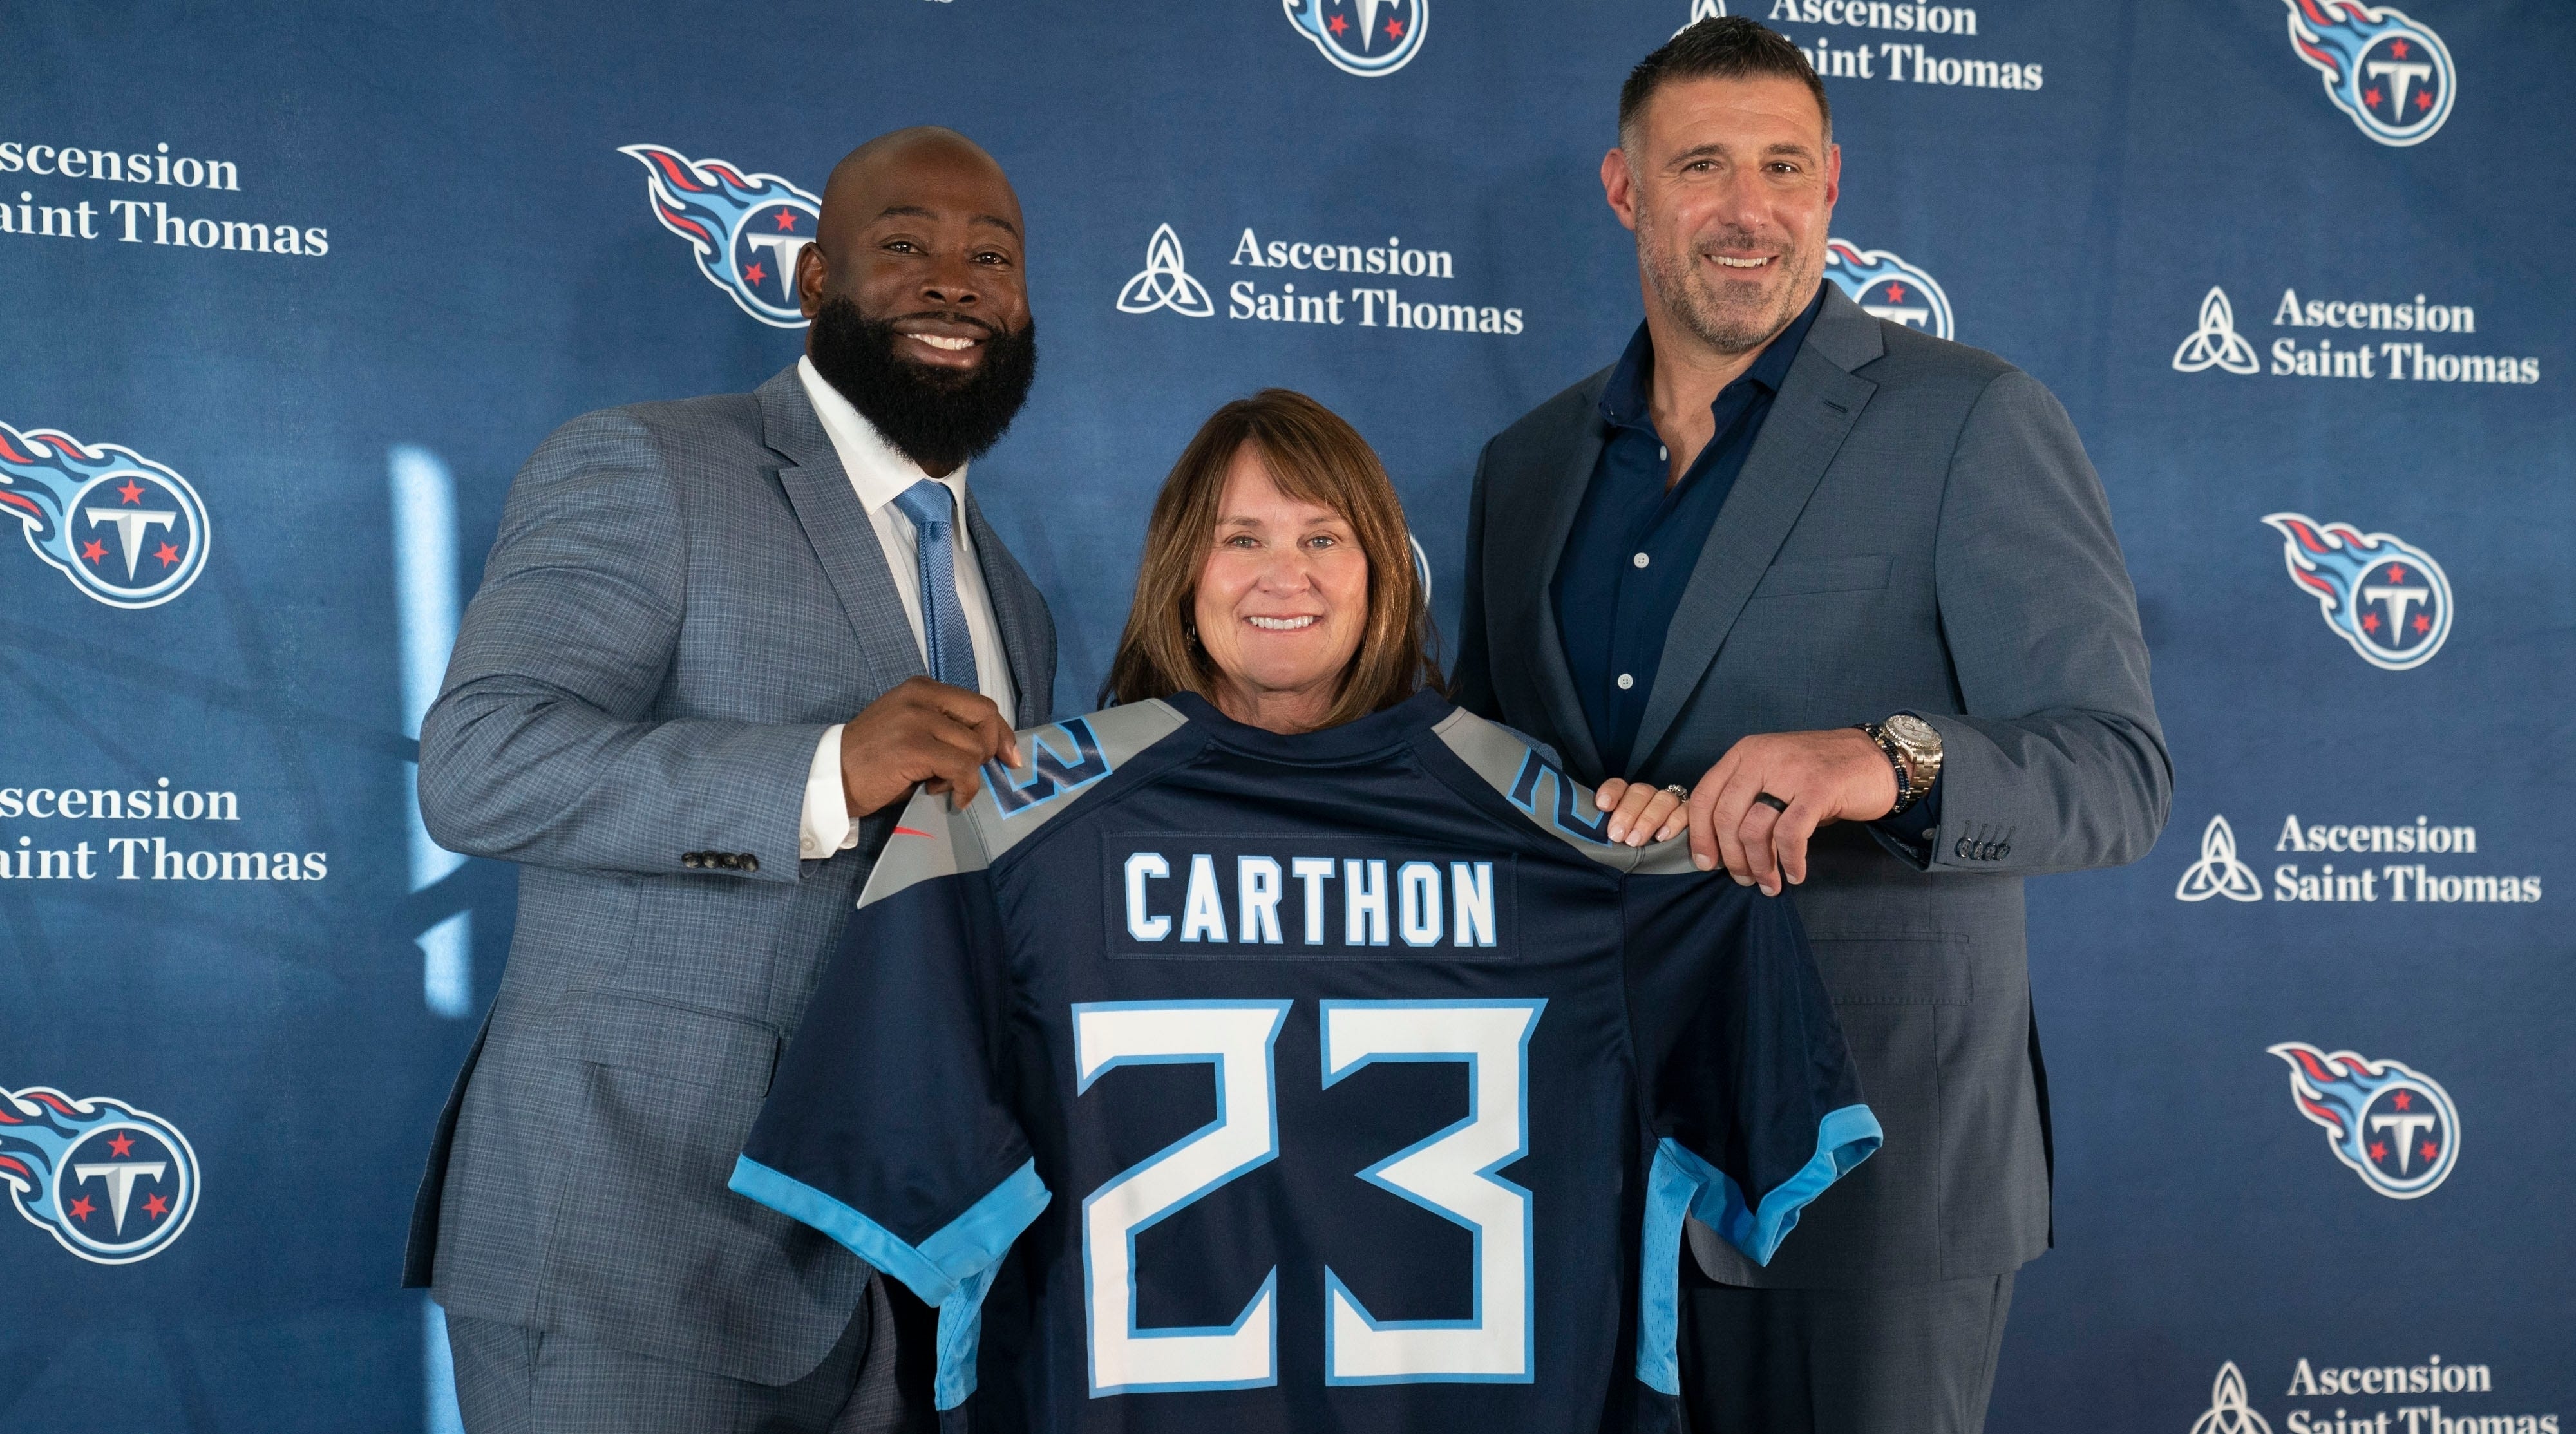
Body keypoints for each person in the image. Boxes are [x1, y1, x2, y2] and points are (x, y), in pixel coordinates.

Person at [724, 388, 1878, 1432]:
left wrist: (1684, 837)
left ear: (1383, 569)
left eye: (1325, 538)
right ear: (1183, 567)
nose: (1288, 574)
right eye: (1243, 539)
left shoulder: (1592, 853)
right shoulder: (1009, 831)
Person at [1450, 19, 2170, 1434]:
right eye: (1701, 165)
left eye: (1783, 165)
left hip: (1868, 1189)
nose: (1746, 209)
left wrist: (1883, 760)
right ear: (1624, 191)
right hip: (1576, 1173)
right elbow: (1497, 773)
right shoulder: (1523, 467)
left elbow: (2115, 770)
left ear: (1831, 185)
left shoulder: (1970, 419)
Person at [402, 126, 1056, 1433]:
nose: (954, 279)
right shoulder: (649, 465)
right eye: (905, 245)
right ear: (813, 279)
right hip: (625, 1250)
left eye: (992, 255)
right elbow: (477, 765)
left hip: (894, 1273)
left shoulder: (1017, 600)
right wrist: (819, 771)